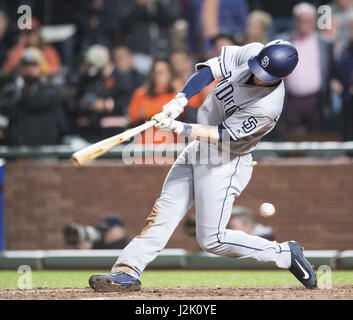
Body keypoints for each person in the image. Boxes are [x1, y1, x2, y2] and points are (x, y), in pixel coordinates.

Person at [88, 39, 317, 292]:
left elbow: (222, 134)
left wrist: (181, 128)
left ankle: (283, 253)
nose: (256, 75)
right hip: (198, 148)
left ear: (280, 77)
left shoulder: (268, 107)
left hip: (225, 160)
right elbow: (209, 70)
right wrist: (180, 99)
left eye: (265, 75)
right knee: (164, 210)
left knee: (212, 239)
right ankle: (127, 271)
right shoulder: (253, 52)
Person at [280, 2, 334, 140]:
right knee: (291, 141)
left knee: (317, 139)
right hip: (291, 101)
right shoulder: (284, 42)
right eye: (301, 19)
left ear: (314, 21)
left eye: (308, 20)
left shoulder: (325, 43)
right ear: (295, 20)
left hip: (316, 100)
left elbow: (332, 68)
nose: (304, 23)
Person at [0, 47, 66, 145]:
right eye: (25, 65)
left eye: (33, 65)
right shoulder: (11, 89)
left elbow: (36, 102)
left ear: (40, 67)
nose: (29, 69)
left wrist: (20, 96)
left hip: (45, 145)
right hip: (18, 146)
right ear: (20, 67)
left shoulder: (50, 88)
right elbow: (4, 108)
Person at [76, 45, 131, 141]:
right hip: (95, 127)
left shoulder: (119, 77)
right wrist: (91, 104)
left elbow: (126, 99)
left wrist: (106, 104)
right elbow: (84, 96)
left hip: (115, 128)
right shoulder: (92, 78)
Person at [128, 58, 177, 144]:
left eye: (163, 72)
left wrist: (148, 113)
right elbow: (132, 118)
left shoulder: (176, 96)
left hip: (171, 148)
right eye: (156, 72)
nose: (159, 76)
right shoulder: (140, 94)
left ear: (170, 74)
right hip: (144, 148)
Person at [63, 213, 130, 250]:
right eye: (104, 230)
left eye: (108, 230)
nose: (105, 233)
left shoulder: (126, 246)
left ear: (119, 230)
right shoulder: (100, 242)